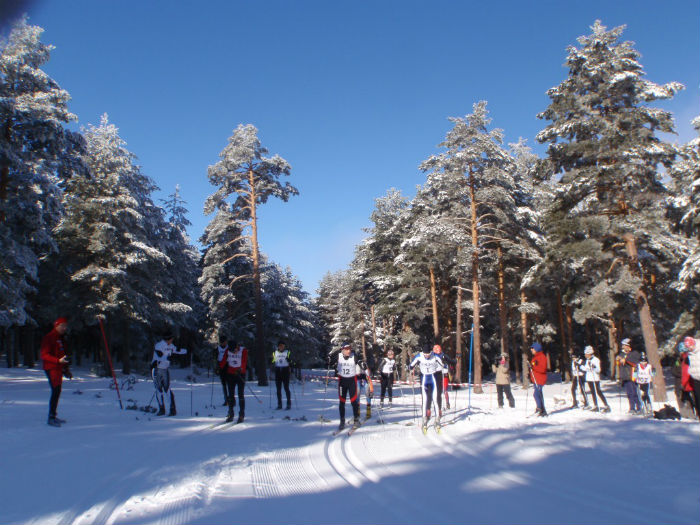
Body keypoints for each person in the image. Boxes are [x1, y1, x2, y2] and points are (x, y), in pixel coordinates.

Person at [41, 317, 72, 427]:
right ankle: (51, 417)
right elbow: (44, 355)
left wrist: (66, 369)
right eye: (62, 326)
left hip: (58, 368)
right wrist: (57, 361)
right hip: (52, 368)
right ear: (57, 325)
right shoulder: (49, 337)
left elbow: (62, 354)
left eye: (65, 326)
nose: (64, 328)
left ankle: (53, 415)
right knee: (56, 391)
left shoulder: (61, 338)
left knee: (57, 391)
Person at [409, 344, 445, 431]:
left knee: (435, 399)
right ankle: (424, 419)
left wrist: (444, 366)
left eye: (428, 354)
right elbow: (411, 365)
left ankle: (437, 419)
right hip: (424, 380)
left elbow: (442, 364)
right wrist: (411, 368)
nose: (427, 356)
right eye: (425, 354)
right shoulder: (419, 356)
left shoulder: (435, 356)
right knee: (424, 400)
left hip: (433, 379)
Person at [151, 333, 187, 416]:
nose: (172, 341)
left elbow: (177, 350)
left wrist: (186, 351)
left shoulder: (171, 345)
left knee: (167, 389)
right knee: (159, 390)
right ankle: (161, 409)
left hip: (165, 369)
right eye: (171, 339)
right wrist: (167, 357)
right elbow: (159, 356)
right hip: (156, 369)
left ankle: (172, 409)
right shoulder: (159, 345)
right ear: (168, 339)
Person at [331, 343, 363, 432]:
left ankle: (356, 420)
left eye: (350, 349)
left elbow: (360, 361)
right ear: (342, 350)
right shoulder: (338, 356)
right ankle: (342, 421)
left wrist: (362, 364)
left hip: (352, 381)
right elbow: (330, 358)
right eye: (346, 349)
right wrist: (329, 361)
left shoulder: (354, 356)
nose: (349, 351)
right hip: (342, 381)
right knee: (342, 402)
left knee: (354, 401)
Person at [219, 340, 248, 423]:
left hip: (240, 374)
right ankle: (231, 413)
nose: (234, 352)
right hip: (231, 374)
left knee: (240, 394)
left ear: (237, 347)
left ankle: (241, 414)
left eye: (235, 350)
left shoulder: (243, 350)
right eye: (232, 350)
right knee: (231, 395)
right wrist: (219, 367)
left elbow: (244, 361)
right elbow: (223, 362)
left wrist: (240, 369)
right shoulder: (228, 351)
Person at [580, 346, 610, 413]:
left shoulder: (596, 360)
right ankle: (595, 405)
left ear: (589, 353)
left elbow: (598, 370)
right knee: (593, 392)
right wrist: (581, 367)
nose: (585, 355)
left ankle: (606, 405)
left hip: (595, 378)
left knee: (598, 392)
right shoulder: (587, 360)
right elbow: (587, 369)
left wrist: (594, 367)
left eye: (586, 354)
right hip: (589, 378)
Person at [616, 338, 642, 414]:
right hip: (625, 376)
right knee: (629, 393)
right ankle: (632, 407)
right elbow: (619, 366)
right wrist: (618, 360)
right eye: (623, 345)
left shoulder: (634, 353)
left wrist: (626, 361)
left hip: (632, 376)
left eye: (625, 345)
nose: (623, 347)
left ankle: (639, 407)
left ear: (629, 346)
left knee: (634, 392)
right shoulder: (622, 354)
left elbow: (636, 363)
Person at [681, 336, 700, 418]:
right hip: (695, 377)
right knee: (698, 397)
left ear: (694, 344)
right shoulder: (689, 354)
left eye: (690, 347)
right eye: (688, 348)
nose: (690, 349)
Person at [432, 344, 456, 409]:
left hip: (444, 374)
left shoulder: (444, 356)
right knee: (437, 390)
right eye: (436, 350)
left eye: (438, 350)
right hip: (436, 374)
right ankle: (437, 404)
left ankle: (447, 402)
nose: (438, 351)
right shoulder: (432, 356)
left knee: (444, 390)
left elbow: (452, 361)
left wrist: (455, 360)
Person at [272, 341, 292, 410]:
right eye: (280, 346)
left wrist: (289, 360)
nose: (281, 347)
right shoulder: (275, 352)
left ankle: (288, 404)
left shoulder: (287, 352)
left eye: (283, 346)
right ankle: (279, 404)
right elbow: (273, 361)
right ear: (278, 346)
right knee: (278, 389)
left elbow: (292, 361)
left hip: (285, 371)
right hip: (278, 371)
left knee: (286, 388)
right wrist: (271, 361)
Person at [529, 342, 548, 417]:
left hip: (540, 379)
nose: (531, 350)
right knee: (539, 394)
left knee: (536, 394)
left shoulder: (542, 357)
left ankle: (540, 408)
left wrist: (533, 367)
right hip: (536, 379)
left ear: (536, 349)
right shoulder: (536, 357)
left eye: (532, 348)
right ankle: (542, 410)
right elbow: (535, 365)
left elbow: (542, 369)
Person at [216, 335, 230, 406]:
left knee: (230, 384)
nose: (223, 343)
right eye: (222, 342)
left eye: (224, 342)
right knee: (224, 384)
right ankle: (226, 400)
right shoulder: (217, 348)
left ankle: (231, 399)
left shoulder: (229, 348)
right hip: (221, 368)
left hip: (228, 367)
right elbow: (215, 358)